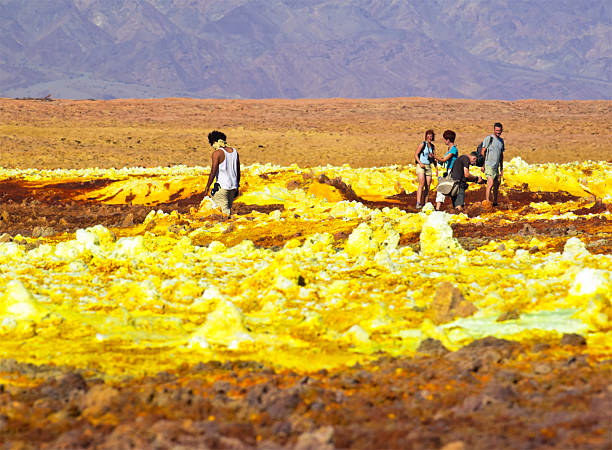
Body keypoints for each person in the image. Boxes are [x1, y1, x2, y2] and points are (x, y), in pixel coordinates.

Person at [203, 130, 241, 217]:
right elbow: (238, 171)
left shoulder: (217, 153)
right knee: (227, 210)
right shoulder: (234, 152)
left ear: (214, 142)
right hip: (233, 187)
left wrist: (207, 187)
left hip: (222, 188)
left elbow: (213, 171)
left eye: (212, 144)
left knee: (222, 214)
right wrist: (237, 186)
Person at [434, 129, 459, 210]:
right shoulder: (450, 148)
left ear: (448, 140)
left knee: (443, 188)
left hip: (452, 171)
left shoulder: (453, 149)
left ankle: (438, 208)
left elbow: (445, 159)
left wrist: (434, 156)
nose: (444, 141)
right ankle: (456, 207)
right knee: (449, 189)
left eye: (445, 139)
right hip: (449, 170)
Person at [481, 122, 505, 206]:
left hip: (496, 166)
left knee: (496, 185)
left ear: (502, 130)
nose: (498, 132)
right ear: (494, 130)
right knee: (490, 183)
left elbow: (501, 155)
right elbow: (483, 151)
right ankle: (487, 202)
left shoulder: (501, 141)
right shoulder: (489, 138)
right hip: (488, 164)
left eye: (499, 130)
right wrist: (483, 165)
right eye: (496, 130)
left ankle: (494, 202)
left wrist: (501, 168)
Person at [414, 129, 438, 209]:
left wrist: (436, 168)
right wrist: (420, 163)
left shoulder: (432, 147)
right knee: (421, 183)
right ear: (426, 136)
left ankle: (426, 203)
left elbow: (434, 158)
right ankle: (418, 202)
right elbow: (416, 154)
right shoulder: (422, 144)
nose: (430, 137)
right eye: (429, 136)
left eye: (431, 136)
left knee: (428, 185)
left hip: (428, 166)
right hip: (421, 165)